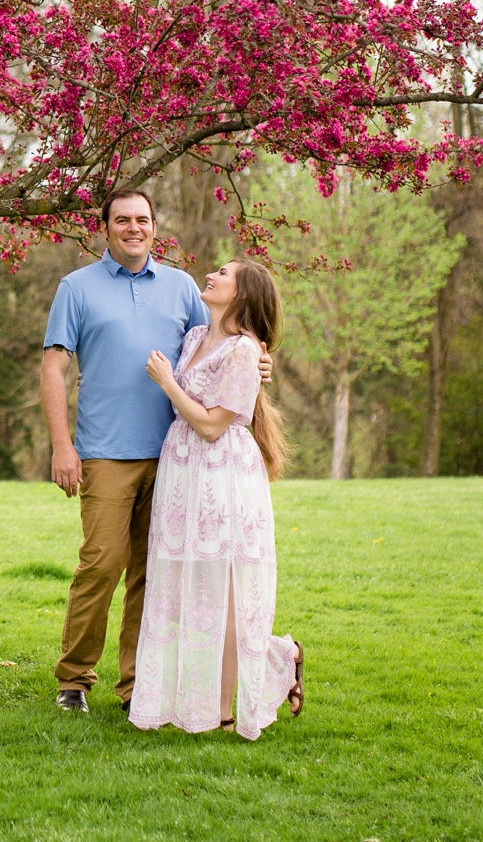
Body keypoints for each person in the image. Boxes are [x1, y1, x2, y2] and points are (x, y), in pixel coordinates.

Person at [39, 189, 270, 713]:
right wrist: (61, 446)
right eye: (122, 220)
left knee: (153, 572)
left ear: (154, 227)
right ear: (106, 228)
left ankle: (136, 686)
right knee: (102, 563)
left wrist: (259, 364)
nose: (133, 228)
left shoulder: (181, 286)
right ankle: (73, 679)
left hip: (176, 458)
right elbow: (53, 369)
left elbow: (218, 344)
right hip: (103, 451)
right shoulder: (76, 288)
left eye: (142, 219)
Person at [128, 259, 304, 740]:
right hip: (181, 473)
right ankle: (270, 661)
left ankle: (225, 711)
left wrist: (166, 383)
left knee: (224, 594)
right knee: (188, 590)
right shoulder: (192, 339)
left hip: (222, 473)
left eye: (223, 273)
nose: (212, 275)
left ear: (243, 293)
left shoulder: (245, 352)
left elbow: (210, 425)